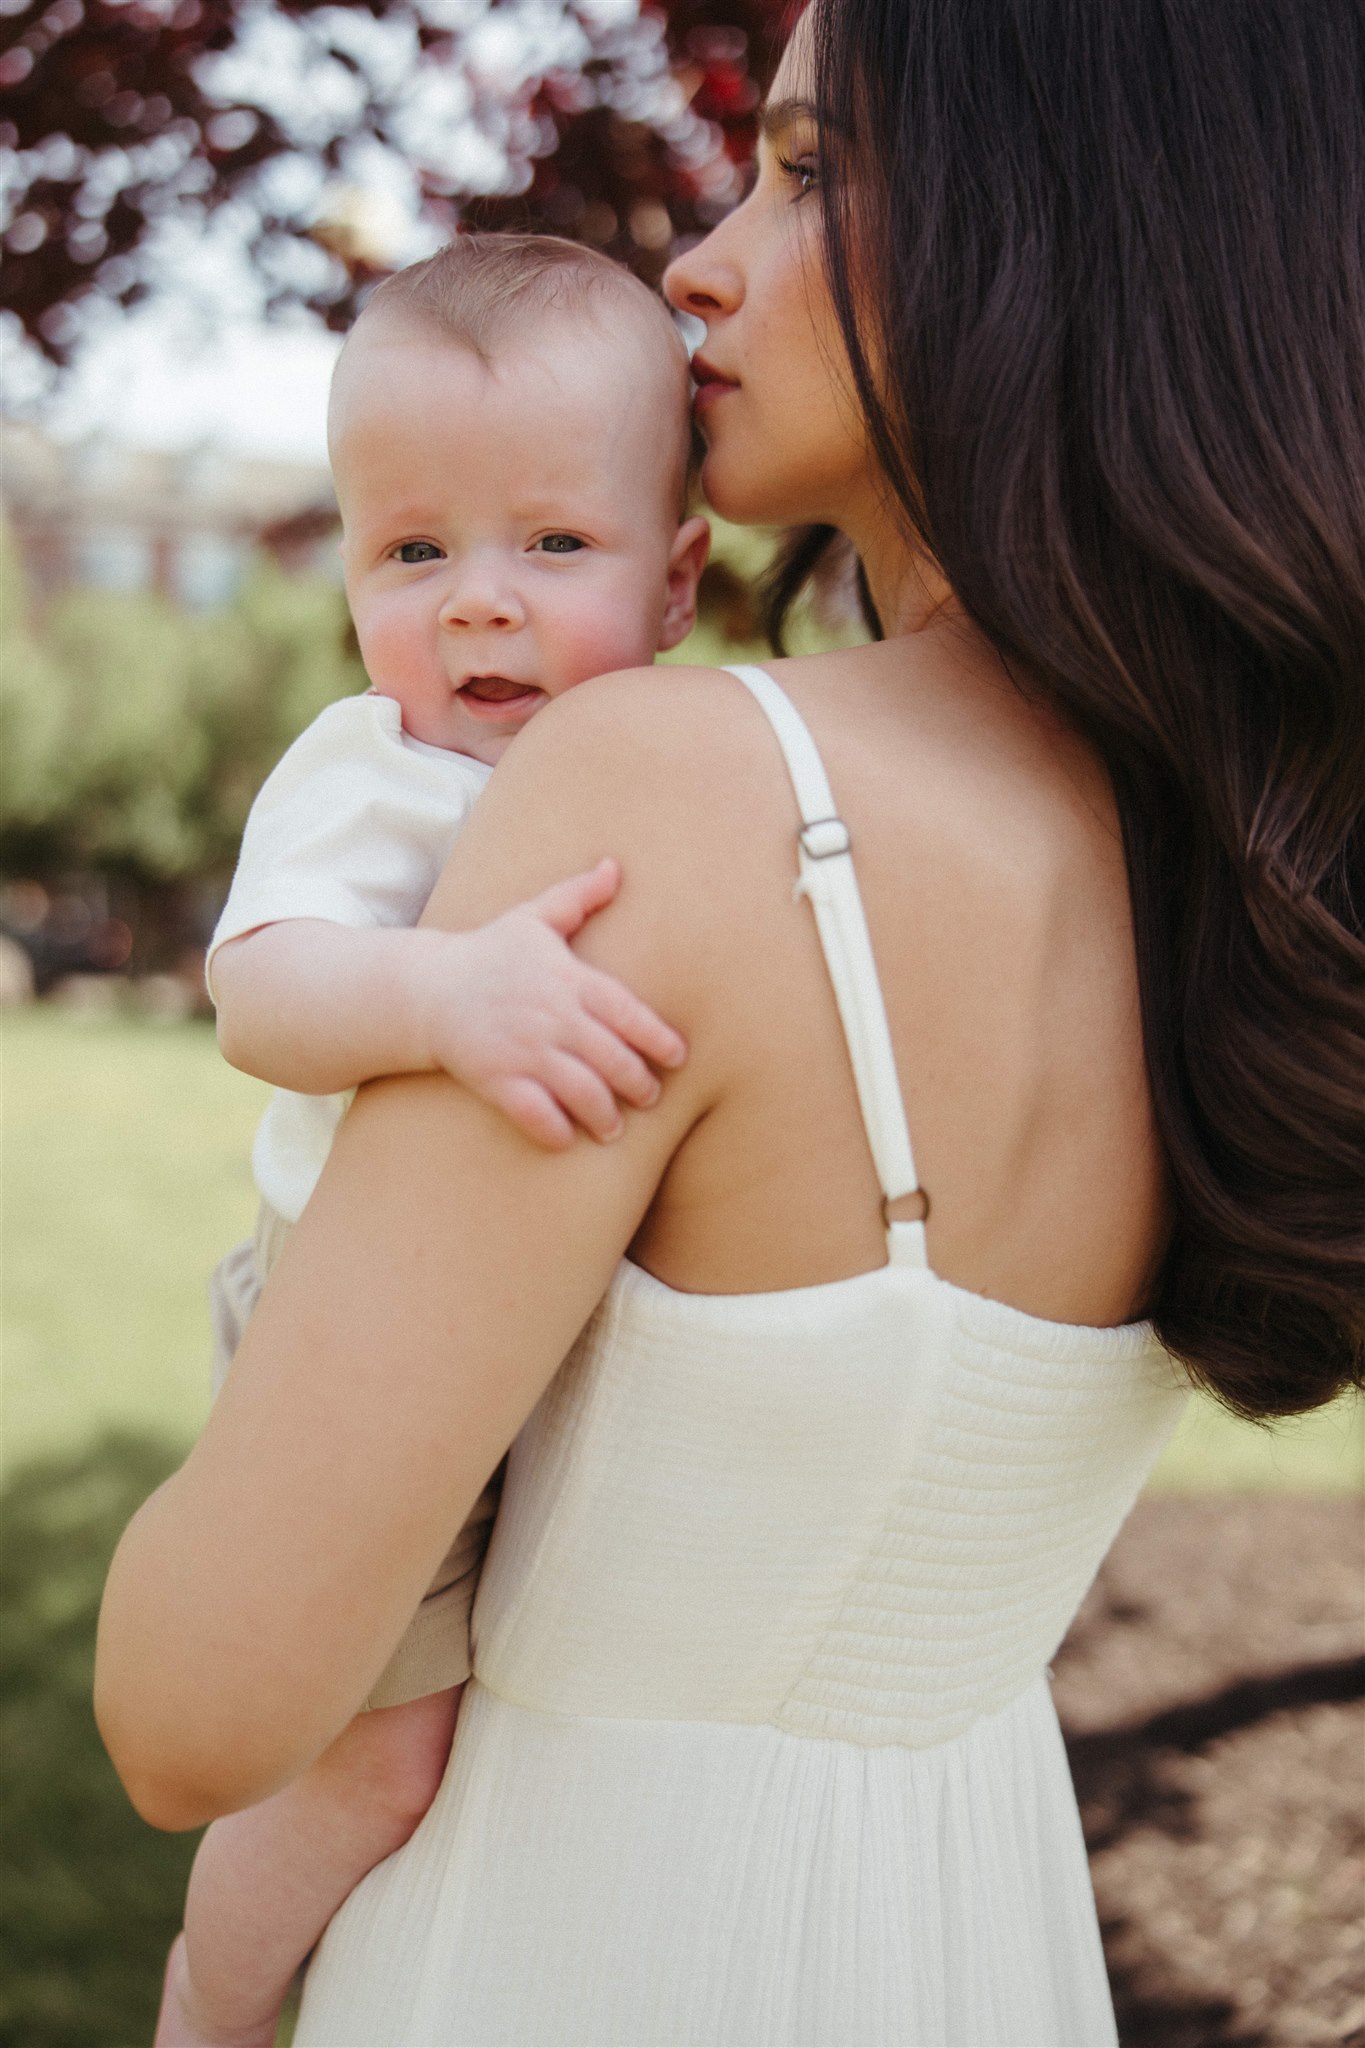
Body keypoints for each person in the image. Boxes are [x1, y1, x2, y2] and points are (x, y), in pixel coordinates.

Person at [98, 1, 1364, 2042]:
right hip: (970, 1936)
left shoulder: (671, 787)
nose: (695, 257)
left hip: (563, 1945)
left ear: (1060, 223)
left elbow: (194, 1705)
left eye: (805, 170)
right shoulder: (1244, 882)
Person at [154, 234, 707, 2047]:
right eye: (413, 550)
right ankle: (213, 2000)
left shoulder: (680, 755)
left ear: (681, 576)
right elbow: (263, 992)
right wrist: (441, 998)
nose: (476, 603)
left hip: (522, 1336)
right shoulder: (372, 773)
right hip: (346, 1335)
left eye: (551, 544)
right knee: (374, 1760)